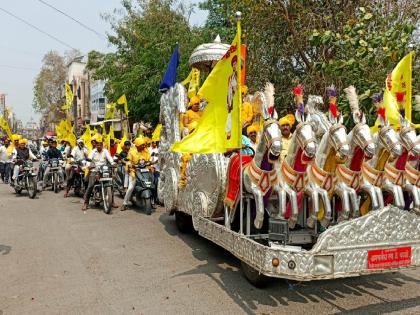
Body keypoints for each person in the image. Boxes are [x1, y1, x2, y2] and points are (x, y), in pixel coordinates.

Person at [82, 136, 116, 211]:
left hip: (104, 170)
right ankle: (86, 203)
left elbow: (110, 158)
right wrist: (89, 165)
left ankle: (112, 201)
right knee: (90, 185)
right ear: (96, 145)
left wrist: (113, 163)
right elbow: (89, 160)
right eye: (98, 145)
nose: (99, 146)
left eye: (100, 144)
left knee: (111, 184)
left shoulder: (105, 151)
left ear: (102, 145)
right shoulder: (93, 152)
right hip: (95, 170)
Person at [120, 137, 151, 211]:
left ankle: (152, 202)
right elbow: (128, 161)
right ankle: (125, 203)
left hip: (144, 171)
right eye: (142, 145)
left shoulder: (146, 151)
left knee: (150, 184)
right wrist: (130, 165)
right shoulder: (131, 152)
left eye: (144, 145)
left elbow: (148, 160)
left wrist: (151, 165)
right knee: (131, 187)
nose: (143, 146)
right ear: (137, 145)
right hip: (134, 172)